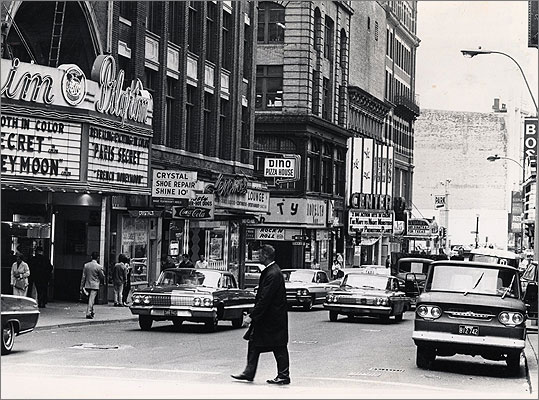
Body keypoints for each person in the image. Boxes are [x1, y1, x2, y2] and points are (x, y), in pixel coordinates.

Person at [231, 244, 290, 385]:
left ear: (266, 256)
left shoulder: (273, 273)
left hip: (272, 318)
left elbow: (265, 298)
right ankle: (249, 372)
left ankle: (283, 375)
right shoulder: (272, 271)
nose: (258, 256)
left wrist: (252, 316)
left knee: (278, 345)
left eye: (259, 254)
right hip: (270, 318)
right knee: (255, 342)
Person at [80, 252, 105, 319]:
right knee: (91, 299)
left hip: (87, 284)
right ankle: (88, 312)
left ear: (91, 257)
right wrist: (102, 283)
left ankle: (91, 311)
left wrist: (81, 286)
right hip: (95, 285)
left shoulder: (86, 265)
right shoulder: (99, 267)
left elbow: (83, 277)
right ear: (98, 258)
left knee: (90, 299)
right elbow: (102, 276)